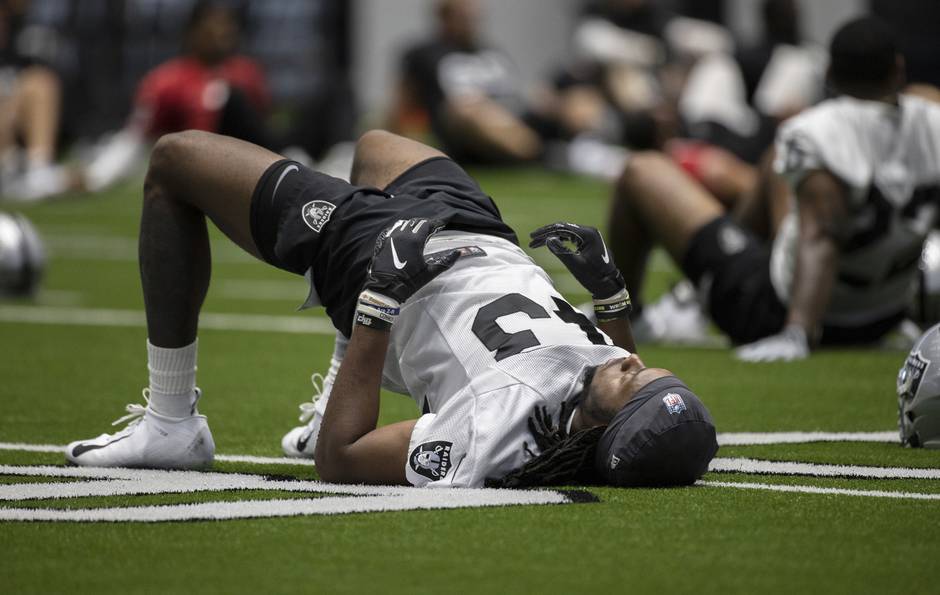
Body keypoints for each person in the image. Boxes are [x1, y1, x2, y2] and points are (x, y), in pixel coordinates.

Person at [64, 128, 717, 488]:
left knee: (174, 162)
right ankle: (335, 382)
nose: (633, 359)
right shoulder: (598, 390)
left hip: (382, 255)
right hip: (479, 233)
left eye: (635, 378)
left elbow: (340, 458)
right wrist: (612, 296)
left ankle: (171, 422)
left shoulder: (492, 435)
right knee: (376, 146)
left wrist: (376, 302)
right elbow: (616, 360)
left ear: (599, 429)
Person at [607, 16, 940, 362]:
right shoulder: (932, 122)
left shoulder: (817, 130)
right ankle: (700, 289)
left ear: (828, 73)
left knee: (640, 170)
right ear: (898, 70)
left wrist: (797, 331)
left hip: (779, 310)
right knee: (775, 162)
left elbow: (821, 236)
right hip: (881, 318)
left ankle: (633, 317)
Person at [81, 1, 272, 194]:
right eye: (213, 27)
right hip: (187, 163)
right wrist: (100, 175)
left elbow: (260, 127)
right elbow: (137, 135)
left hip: (244, 163)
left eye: (227, 27)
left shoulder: (247, 73)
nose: (222, 34)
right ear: (193, 33)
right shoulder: (167, 80)